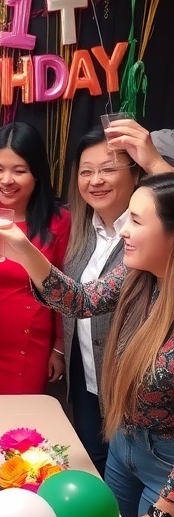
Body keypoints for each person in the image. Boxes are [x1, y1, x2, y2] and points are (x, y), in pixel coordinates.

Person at [0, 173, 174, 517]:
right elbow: (79, 300)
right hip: (124, 446)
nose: (123, 230)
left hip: (168, 472)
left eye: (136, 221)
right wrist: (21, 247)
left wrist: (163, 516)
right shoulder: (139, 275)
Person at [63, 120, 171, 476]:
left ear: (136, 173)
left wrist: (156, 163)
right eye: (87, 171)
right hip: (88, 381)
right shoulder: (82, 230)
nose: (96, 180)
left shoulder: (149, 244)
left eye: (108, 169)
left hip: (144, 404)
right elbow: (79, 301)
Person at [0, 122, 70, 395]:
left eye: (19, 171)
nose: (6, 180)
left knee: (22, 428)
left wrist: (59, 346)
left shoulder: (58, 221)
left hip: (30, 344)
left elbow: (65, 288)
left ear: (36, 174)